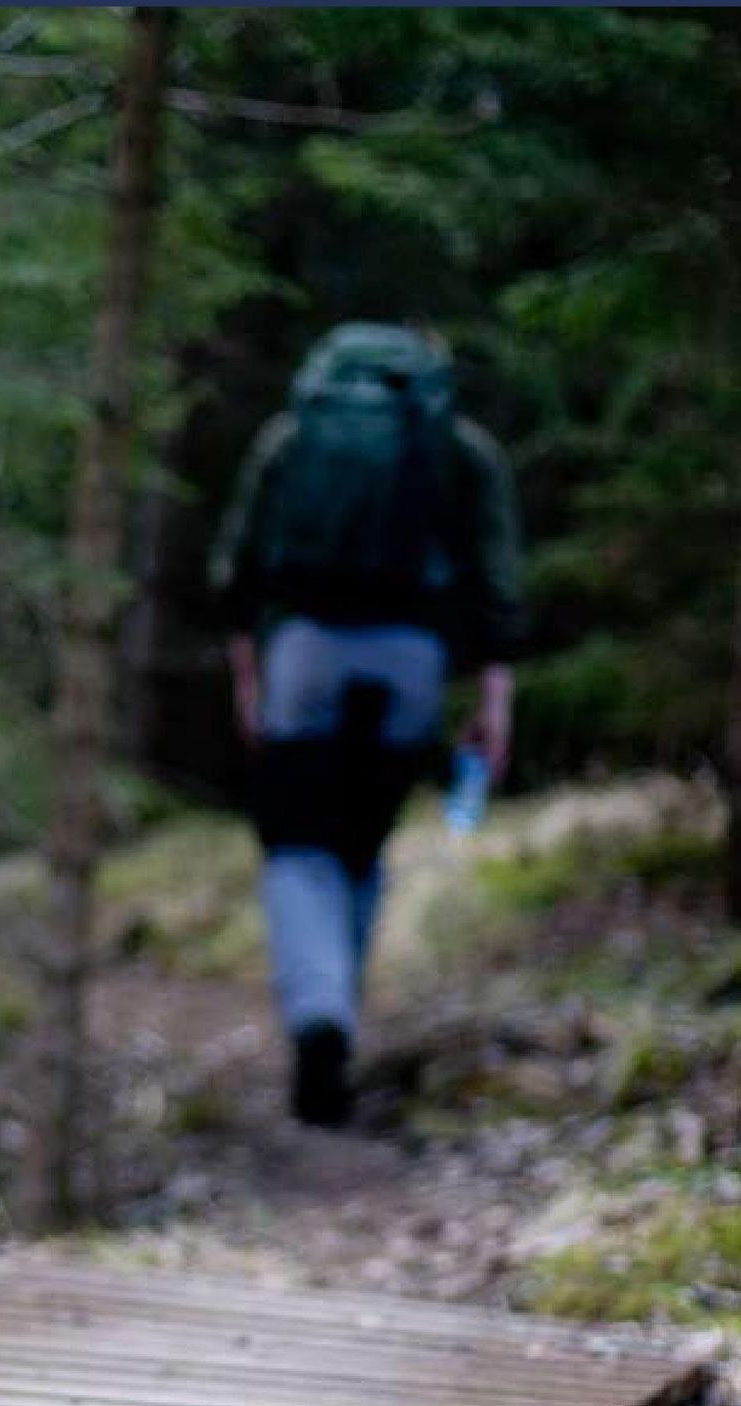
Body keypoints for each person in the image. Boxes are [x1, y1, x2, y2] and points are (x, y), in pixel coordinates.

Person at [211, 321, 527, 1124]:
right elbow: (496, 584)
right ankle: (336, 1018)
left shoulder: (292, 437)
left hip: (305, 653)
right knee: (360, 844)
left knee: (296, 846)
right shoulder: (462, 448)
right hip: (410, 661)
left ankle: (321, 1017)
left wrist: (248, 678)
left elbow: (236, 571)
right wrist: (494, 699)